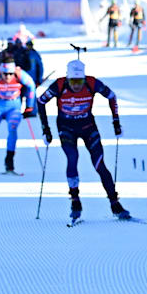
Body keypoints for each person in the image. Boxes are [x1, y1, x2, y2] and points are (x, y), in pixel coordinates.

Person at [37, 59, 130, 223]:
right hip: (66, 128)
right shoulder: (59, 85)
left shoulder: (91, 82)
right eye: (73, 81)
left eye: (80, 81)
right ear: (67, 78)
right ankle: (75, 202)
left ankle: (115, 203)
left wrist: (116, 121)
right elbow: (41, 101)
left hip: (88, 127)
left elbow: (111, 96)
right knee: (72, 157)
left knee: (99, 164)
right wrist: (46, 129)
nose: (77, 85)